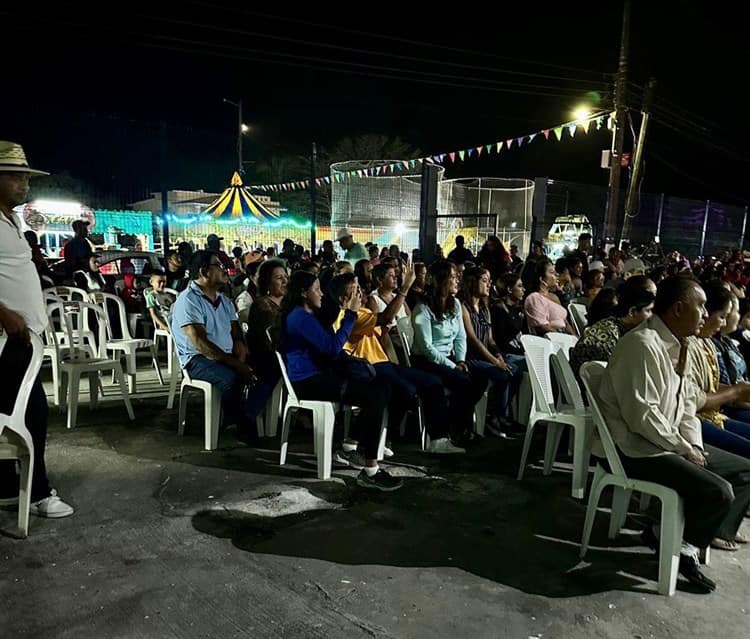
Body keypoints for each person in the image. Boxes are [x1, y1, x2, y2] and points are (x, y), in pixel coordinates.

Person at [594, 275, 750, 592]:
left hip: (663, 443)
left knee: (744, 470)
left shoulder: (677, 345)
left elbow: (686, 406)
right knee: (718, 491)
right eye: (702, 307)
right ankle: (682, 548)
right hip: (636, 450)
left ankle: (676, 539)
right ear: (678, 309)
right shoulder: (643, 346)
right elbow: (643, 417)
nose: (707, 315)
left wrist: (692, 443)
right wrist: (684, 449)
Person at [0, 140, 74, 517]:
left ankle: (8, 485)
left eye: (25, 176)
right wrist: (4, 313)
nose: (24, 183)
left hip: (23, 338)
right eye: (15, 176)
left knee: (13, 414)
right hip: (9, 339)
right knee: (31, 414)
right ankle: (39, 492)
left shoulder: (10, 220)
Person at [279, 270, 401, 490]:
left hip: (319, 375)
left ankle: (355, 447)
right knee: (374, 394)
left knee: (381, 386)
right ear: (303, 293)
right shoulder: (299, 318)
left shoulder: (309, 315)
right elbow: (332, 348)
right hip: (307, 382)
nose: (322, 294)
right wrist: (351, 315)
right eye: (316, 289)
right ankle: (369, 467)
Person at [327, 272, 459, 453]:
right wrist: (404, 289)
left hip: (384, 363)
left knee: (432, 382)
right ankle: (371, 438)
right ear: (343, 298)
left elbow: (379, 334)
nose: (360, 293)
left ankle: (438, 439)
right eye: (355, 290)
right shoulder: (347, 316)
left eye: (360, 288)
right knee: (405, 391)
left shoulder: (363, 311)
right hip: (370, 367)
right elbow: (385, 317)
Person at [171, 251, 271, 443]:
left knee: (268, 367)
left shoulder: (224, 301)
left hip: (225, 355)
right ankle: (241, 424)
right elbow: (200, 343)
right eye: (219, 266)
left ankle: (243, 416)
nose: (226, 270)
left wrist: (240, 347)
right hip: (197, 359)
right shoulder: (188, 300)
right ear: (204, 272)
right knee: (232, 379)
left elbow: (235, 332)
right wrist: (236, 364)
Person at [411, 260, 488, 445]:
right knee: (460, 381)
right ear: (441, 281)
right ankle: (457, 430)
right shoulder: (423, 309)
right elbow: (427, 348)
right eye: (452, 277)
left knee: (479, 379)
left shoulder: (455, 305)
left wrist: (460, 361)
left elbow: (460, 336)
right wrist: (454, 366)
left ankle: (458, 426)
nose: (457, 281)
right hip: (426, 360)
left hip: (450, 358)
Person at [686, 283, 750, 474]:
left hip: (714, 416)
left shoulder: (707, 343)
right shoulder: (683, 345)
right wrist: (736, 392)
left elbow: (710, 387)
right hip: (695, 421)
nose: (723, 323)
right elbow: (693, 400)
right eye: (722, 316)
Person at [460, 266, 523, 434]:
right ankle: (494, 416)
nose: (489, 285)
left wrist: (498, 356)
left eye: (490, 281)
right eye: (485, 281)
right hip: (469, 357)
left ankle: (498, 414)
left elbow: (490, 339)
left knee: (513, 369)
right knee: (502, 373)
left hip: (484, 356)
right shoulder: (463, 307)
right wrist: (494, 361)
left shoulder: (484, 308)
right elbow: (472, 339)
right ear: (473, 282)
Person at [569, 276, 656, 379]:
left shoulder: (616, 327)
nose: (652, 316)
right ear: (632, 312)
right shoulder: (608, 339)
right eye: (649, 311)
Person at [245, 259, 288, 381]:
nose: (285, 281)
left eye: (285, 276)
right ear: (267, 282)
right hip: (268, 359)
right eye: (279, 278)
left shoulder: (287, 303)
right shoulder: (262, 306)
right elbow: (272, 341)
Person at [523, 258, 576, 336]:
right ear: (541, 279)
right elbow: (542, 327)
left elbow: (565, 322)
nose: (556, 275)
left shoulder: (554, 296)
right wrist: (562, 336)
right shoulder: (534, 298)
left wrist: (575, 338)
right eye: (552, 272)